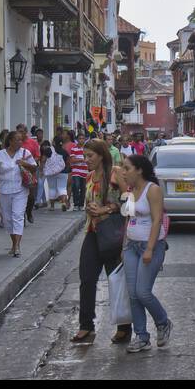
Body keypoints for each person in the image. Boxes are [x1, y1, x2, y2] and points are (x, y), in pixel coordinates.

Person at [70, 140, 132, 346]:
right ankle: (86, 325)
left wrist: (107, 209)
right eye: (84, 156)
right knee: (86, 279)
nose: (86, 160)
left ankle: (124, 327)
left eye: (90, 156)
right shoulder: (89, 176)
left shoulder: (115, 173)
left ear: (101, 155)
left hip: (113, 235)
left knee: (115, 281)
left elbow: (129, 201)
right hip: (93, 232)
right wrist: (91, 209)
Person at [118, 153, 172, 352]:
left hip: (151, 247)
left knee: (142, 292)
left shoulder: (153, 189)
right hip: (131, 246)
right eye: (122, 168)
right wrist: (124, 246)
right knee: (133, 294)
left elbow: (157, 220)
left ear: (139, 170)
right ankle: (141, 336)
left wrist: (149, 248)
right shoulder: (131, 191)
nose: (124, 172)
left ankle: (163, 322)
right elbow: (128, 218)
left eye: (127, 168)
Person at [0, 129, 36, 257]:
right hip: (4, 190)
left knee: (18, 215)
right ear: (10, 141)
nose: (20, 142)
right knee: (8, 218)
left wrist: (24, 163)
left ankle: (17, 246)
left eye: (22, 139)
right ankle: (13, 243)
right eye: (17, 139)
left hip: (20, 189)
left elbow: (34, 167)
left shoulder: (25, 153)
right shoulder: (0, 154)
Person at [43, 138, 70, 210]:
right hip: (63, 172)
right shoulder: (64, 151)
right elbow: (68, 162)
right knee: (62, 188)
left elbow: (43, 160)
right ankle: (64, 202)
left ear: (54, 142)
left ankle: (52, 206)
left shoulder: (48, 150)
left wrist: (42, 168)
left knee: (52, 188)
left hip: (51, 172)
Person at [68, 140, 89, 209]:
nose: (81, 140)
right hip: (76, 171)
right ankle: (76, 204)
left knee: (83, 188)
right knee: (76, 186)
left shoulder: (87, 149)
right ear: (77, 140)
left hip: (84, 171)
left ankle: (81, 204)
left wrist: (78, 159)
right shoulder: (73, 149)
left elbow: (88, 159)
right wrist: (82, 160)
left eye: (83, 138)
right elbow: (72, 160)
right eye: (80, 138)